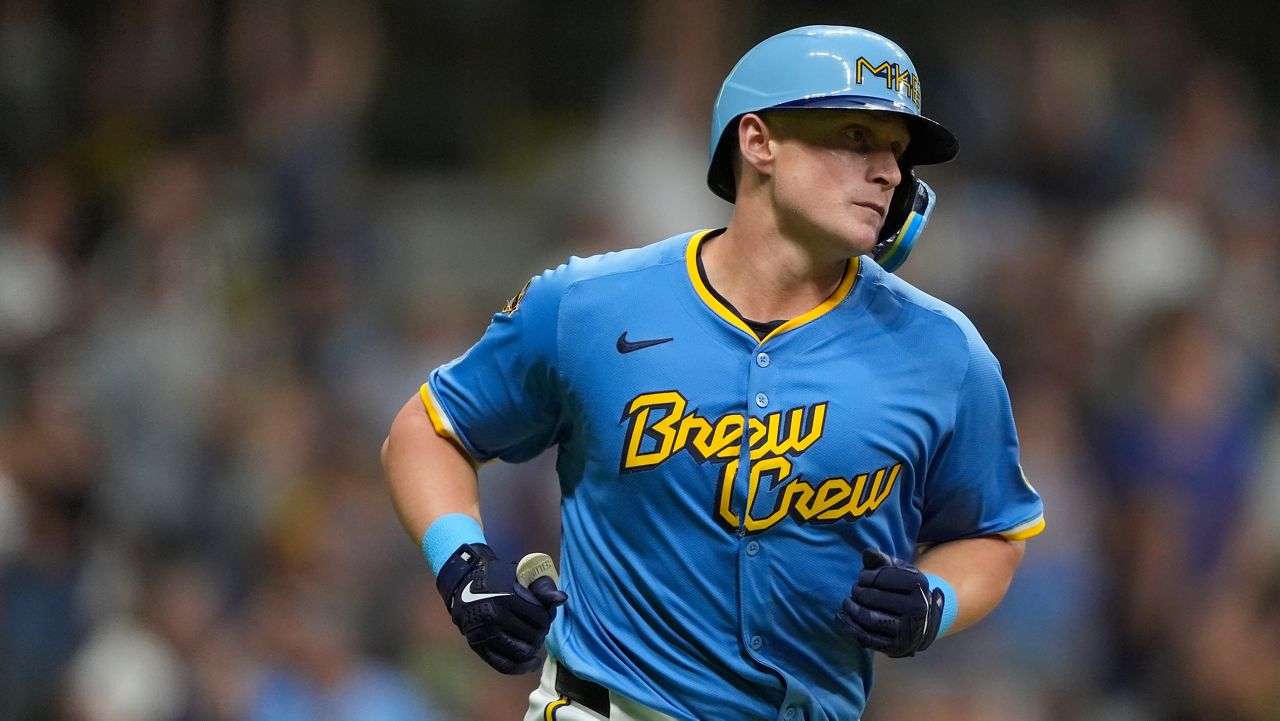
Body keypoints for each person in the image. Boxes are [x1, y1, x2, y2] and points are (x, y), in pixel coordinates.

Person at [382, 25, 1045, 721]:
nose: (887, 171)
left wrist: (935, 600)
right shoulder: (588, 304)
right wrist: (464, 568)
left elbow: (994, 530)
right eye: (855, 137)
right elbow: (428, 429)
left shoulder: (943, 350)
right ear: (757, 142)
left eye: (896, 151)